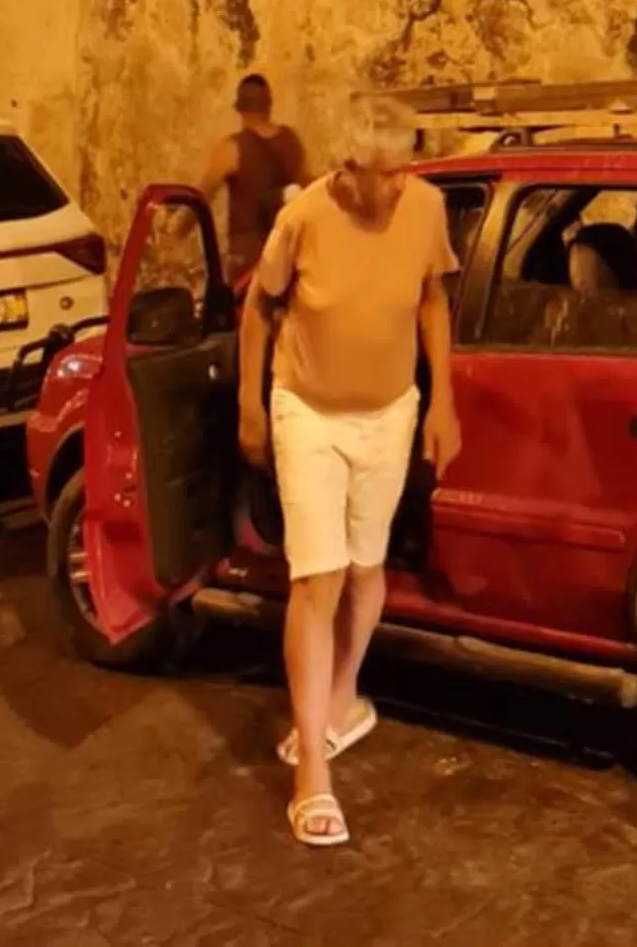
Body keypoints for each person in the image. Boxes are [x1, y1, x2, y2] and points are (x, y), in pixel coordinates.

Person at [238, 92, 460, 849]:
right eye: (387, 173)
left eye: (407, 170)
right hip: (307, 408)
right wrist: (249, 402)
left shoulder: (425, 208)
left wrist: (441, 404)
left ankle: (338, 703)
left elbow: (432, 301)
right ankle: (312, 779)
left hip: (390, 412)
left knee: (367, 570)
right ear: (349, 168)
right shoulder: (302, 219)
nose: (400, 185)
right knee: (317, 578)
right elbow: (258, 308)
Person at [200, 72, 309, 283]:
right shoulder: (291, 141)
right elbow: (308, 187)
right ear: (269, 104)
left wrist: (177, 230)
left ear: (238, 108)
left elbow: (202, 196)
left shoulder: (232, 148)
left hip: (250, 262)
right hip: (290, 254)